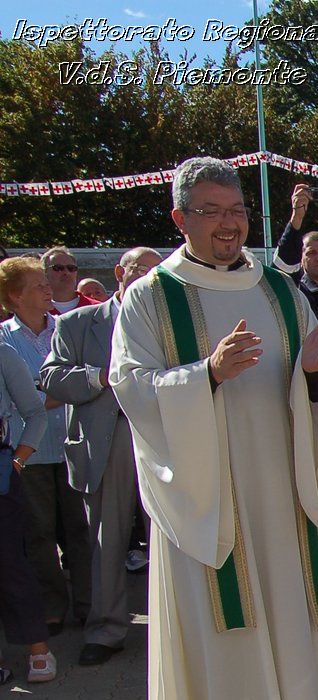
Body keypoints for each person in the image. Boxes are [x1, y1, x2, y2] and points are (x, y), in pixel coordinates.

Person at [109, 155, 318, 700]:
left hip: (279, 485)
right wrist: (204, 377)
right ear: (179, 218)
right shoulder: (151, 296)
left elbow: (313, 374)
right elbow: (130, 387)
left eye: (238, 210)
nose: (228, 224)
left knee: (291, 600)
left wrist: (311, 369)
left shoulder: (278, 286)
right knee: (228, 615)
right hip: (209, 491)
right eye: (212, 211)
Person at [39, 246, 162, 666]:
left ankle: (173, 629)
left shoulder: (167, 323)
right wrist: (99, 376)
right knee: (107, 541)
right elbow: (51, 378)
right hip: (106, 444)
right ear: (119, 274)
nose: (148, 278)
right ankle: (106, 629)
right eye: (140, 270)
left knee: (168, 538)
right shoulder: (79, 323)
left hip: (162, 443)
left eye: (155, 272)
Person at [0, 257, 92, 635]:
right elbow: (22, 399)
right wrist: (58, 390)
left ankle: (90, 606)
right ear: (15, 296)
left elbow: (80, 382)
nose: (48, 288)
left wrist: (45, 393)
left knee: (80, 530)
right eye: (38, 284)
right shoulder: (4, 339)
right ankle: (51, 608)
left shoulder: (65, 329)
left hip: (73, 445)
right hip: (30, 455)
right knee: (38, 534)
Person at [0, 297, 56, 684]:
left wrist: (17, 460)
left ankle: (39, 647)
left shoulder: (2, 353)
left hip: (1, 473)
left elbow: (34, 412)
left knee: (10, 566)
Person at [274, 184, 318, 319]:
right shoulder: (295, 292)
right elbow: (284, 261)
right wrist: (296, 217)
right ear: (301, 258)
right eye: (311, 253)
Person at [41, 247, 101, 315]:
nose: (66, 272)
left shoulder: (97, 310)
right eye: (58, 268)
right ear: (44, 273)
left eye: (71, 268)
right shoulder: (34, 310)